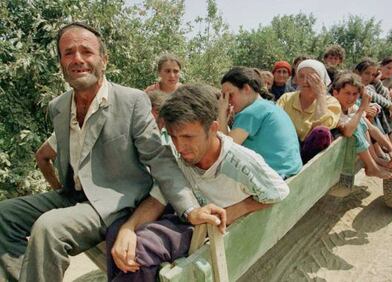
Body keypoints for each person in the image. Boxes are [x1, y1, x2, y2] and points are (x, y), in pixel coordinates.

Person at [0, 22, 210, 282]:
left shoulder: (132, 101)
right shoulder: (58, 106)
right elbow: (49, 155)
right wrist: (58, 188)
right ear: (61, 63)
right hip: (74, 196)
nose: (77, 59)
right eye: (68, 53)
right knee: (4, 215)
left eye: (86, 52)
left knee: (48, 228)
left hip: (115, 202)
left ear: (104, 60)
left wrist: (189, 209)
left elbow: (160, 160)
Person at [106, 84, 290, 281]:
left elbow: (279, 190)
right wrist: (129, 228)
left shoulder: (240, 162)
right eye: (173, 137)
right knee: (116, 232)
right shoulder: (180, 158)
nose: (179, 146)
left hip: (202, 231)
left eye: (187, 137)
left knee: (139, 251)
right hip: (186, 216)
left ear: (212, 128)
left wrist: (235, 210)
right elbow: (159, 197)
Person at [219, 66, 302, 179]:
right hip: (291, 172)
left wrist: (221, 114)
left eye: (230, 95)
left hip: (275, 176)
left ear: (247, 89)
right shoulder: (269, 106)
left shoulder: (250, 112)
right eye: (224, 97)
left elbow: (225, 151)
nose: (227, 101)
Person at [332, 72, 392, 179]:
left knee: (361, 121)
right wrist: (362, 107)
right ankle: (372, 166)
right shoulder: (333, 107)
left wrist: (391, 149)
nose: (351, 98)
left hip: (349, 144)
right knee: (356, 124)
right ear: (335, 93)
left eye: (355, 94)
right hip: (335, 149)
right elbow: (348, 131)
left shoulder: (351, 107)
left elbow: (372, 129)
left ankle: (374, 160)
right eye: (347, 93)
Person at [277, 59, 342, 163]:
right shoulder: (286, 98)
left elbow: (323, 127)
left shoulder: (331, 102)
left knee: (321, 132)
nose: (305, 81)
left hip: (312, 154)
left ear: (321, 79)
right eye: (301, 76)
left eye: (312, 77)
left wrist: (320, 95)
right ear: (296, 79)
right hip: (287, 148)